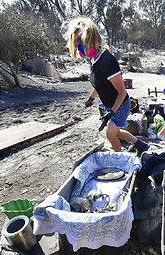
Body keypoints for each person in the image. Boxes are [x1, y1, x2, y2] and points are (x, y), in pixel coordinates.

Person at [64, 17, 149, 155]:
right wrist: (91, 99)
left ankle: (118, 159)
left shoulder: (107, 61)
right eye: (78, 43)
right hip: (111, 105)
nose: (80, 47)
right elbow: (99, 84)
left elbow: (122, 92)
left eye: (82, 43)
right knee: (116, 132)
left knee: (110, 135)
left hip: (120, 105)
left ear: (94, 41)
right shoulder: (94, 60)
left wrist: (112, 113)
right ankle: (140, 144)